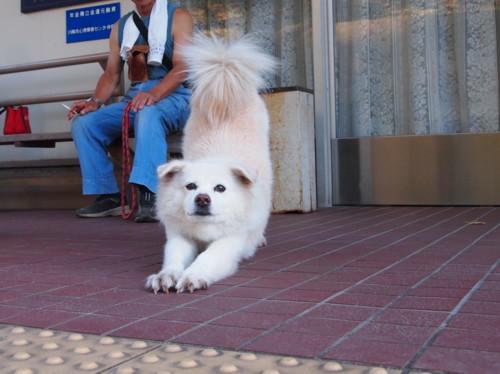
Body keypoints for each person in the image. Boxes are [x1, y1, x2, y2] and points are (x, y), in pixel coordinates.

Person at [68, 0, 192, 223]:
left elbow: (182, 67)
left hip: (175, 96)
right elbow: (111, 74)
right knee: (84, 123)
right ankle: (111, 196)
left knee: (148, 112)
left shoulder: (178, 15)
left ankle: (150, 194)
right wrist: (94, 101)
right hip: (136, 97)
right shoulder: (121, 26)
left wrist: (154, 94)